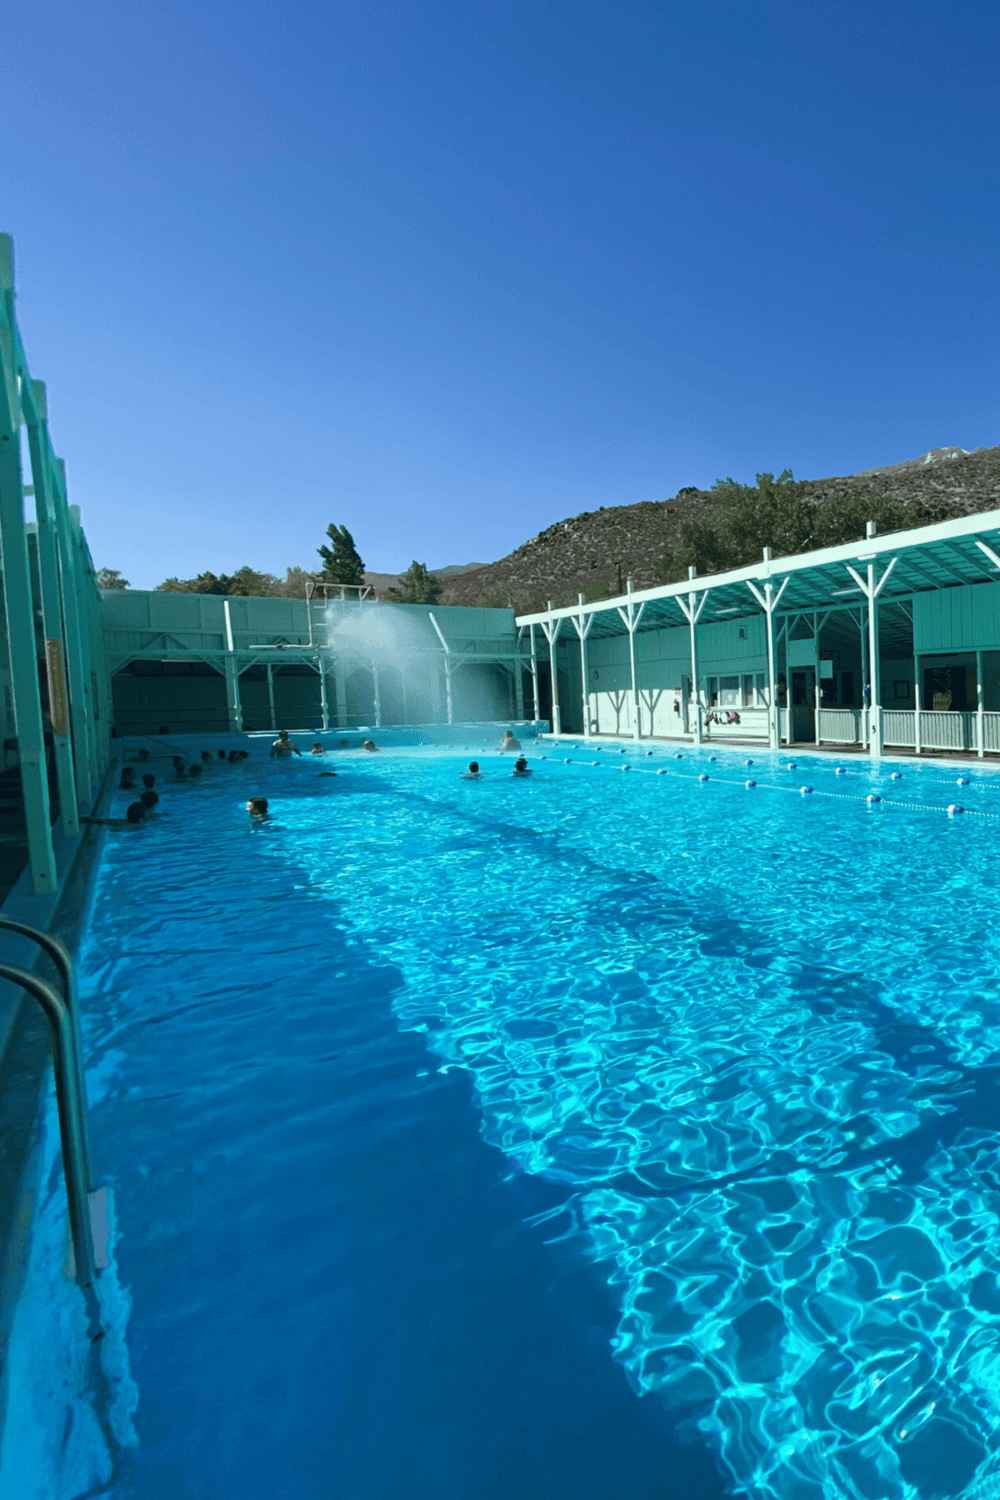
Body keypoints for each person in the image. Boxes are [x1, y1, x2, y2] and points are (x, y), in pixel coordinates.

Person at [82, 802, 146, 829]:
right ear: (141, 818)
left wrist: (85, 819)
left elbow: (101, 821)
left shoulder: (117, 822)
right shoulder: (138, 827)